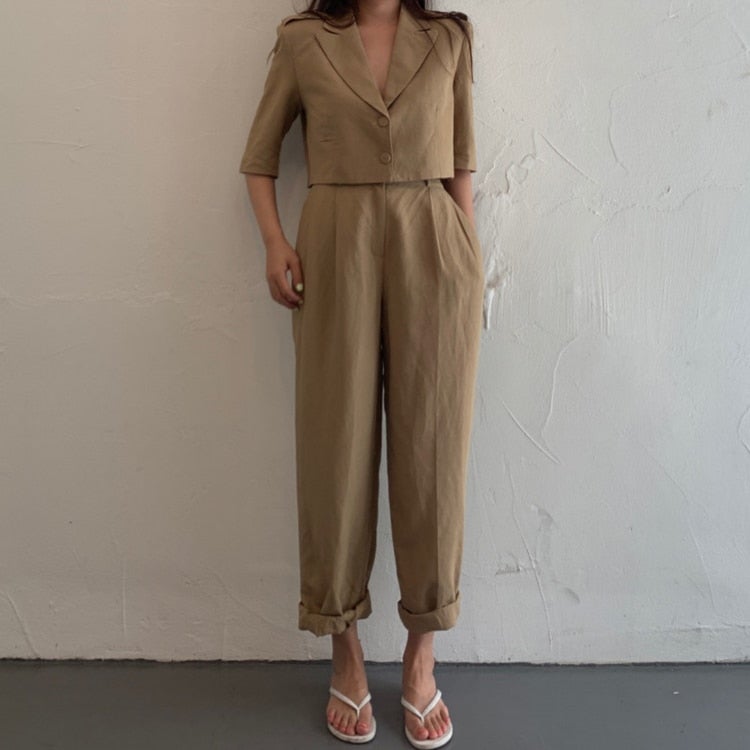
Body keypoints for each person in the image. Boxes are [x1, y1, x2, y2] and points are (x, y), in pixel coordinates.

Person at [238, 1, 483, 746]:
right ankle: (343, 649)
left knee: (433, 450)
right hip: (333, 245)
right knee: (334, 447)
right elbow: (258, 159)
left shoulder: (448, 39)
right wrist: (275, 242)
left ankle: (421, 655)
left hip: (431, 242)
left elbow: (462, 160)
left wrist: (469, 264)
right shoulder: (303, 40)